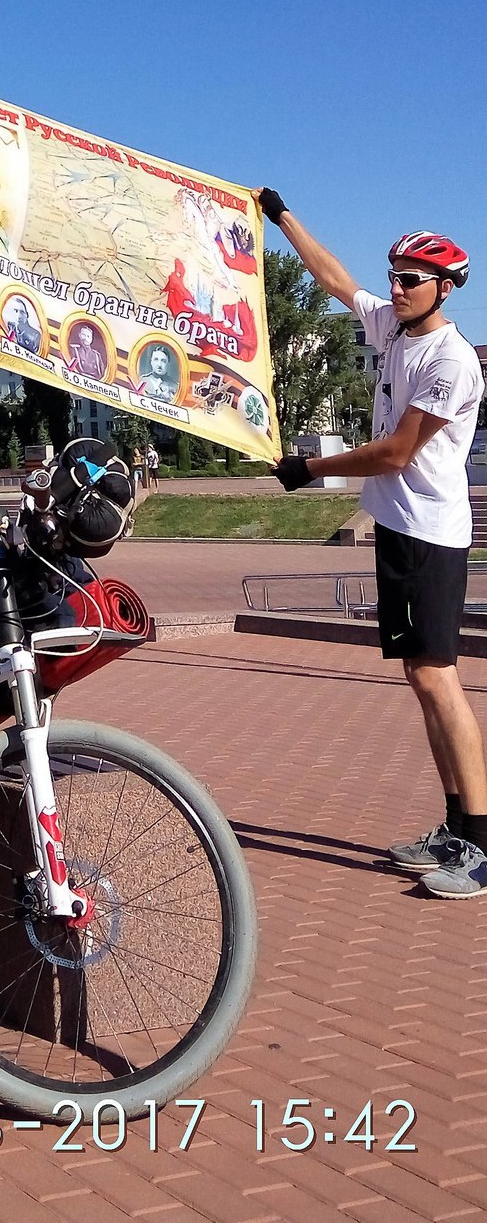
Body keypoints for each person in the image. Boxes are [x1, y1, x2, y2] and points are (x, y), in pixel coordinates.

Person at [261, 192, 485, 897]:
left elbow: (394, 454)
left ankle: (480, 844)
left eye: (410, 279)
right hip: (397, 529)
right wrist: (285, 216)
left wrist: (310, 468)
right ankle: (454, 829)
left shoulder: (451, 361)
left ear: (444, 288)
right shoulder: (391, 326)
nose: (395, 287)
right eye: (393, 275)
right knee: (421, 680)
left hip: (429, 534)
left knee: (439, 679)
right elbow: (333, 278)